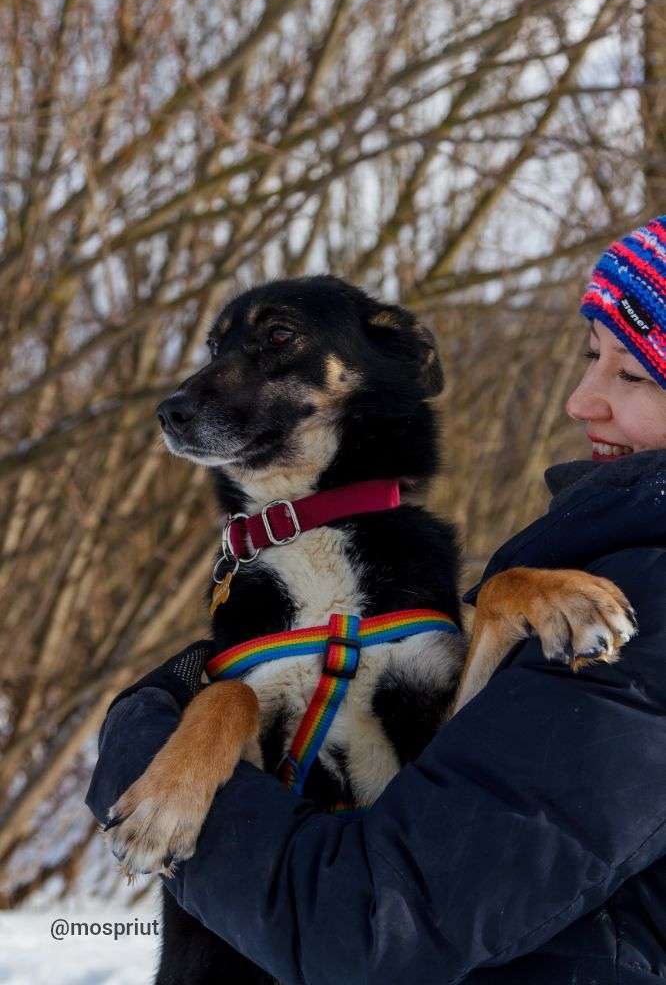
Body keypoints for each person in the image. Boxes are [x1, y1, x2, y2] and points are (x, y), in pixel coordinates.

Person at [87, 217, 666, 985]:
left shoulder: (641, 603)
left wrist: (137, 731)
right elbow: (468, 751)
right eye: (591, 358)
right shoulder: (571, 556)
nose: (578, 400)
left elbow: (370, 926)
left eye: (629, 375)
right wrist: (211, 713)